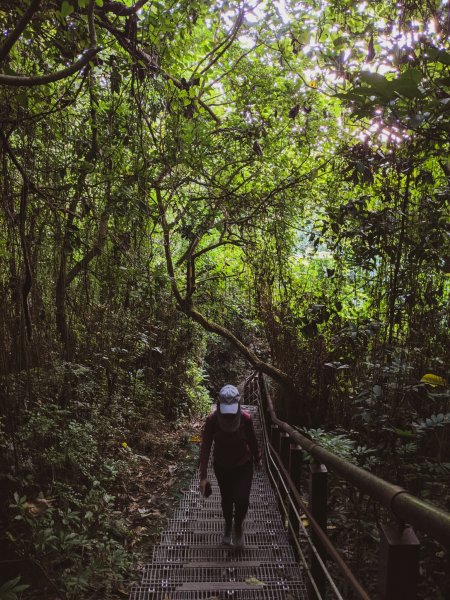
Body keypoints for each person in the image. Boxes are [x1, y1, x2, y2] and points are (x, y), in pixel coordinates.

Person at [199, 384, 261, 547]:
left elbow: (252, 441)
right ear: (219, 403)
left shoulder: (245, 418)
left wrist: (257, 458)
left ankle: (238, 525)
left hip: (243, 465)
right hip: (222, 466)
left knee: (242, 500)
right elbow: (205, 446)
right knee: (227, 499)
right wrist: (203, 476)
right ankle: (228, 525)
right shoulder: (213, 420)